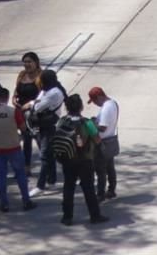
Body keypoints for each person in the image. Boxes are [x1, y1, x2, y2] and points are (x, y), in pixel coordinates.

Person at [57, 94, 109, 226]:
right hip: (85, 160)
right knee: (89, 189)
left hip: (67, 159)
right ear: (81, 107)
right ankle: (94, 216)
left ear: (67, 107)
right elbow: (97, 140)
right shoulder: (87, 122)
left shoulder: (61, 121)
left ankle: (67, 217)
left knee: (68, 187)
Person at [0, 88, 36, 212]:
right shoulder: (13, 112)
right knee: (20, 175)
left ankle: (4, 204)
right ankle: (26, 201)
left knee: (1, 177)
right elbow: (23, 128)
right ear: (7, 97)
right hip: (13, 147)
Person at [23, 69, 66, 196]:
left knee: (45, 156)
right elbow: (37, 101)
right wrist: (33, 102)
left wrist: (31, 104)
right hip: (43, 125)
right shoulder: (46, 90)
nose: (39, 82)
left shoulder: (54, 93)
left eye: (41, 80)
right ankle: (52, 179)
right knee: (50, 154)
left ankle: (40, 186)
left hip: (50, 126)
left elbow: (37, 107)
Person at [87, 87, 119, 201]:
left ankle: (100, 194)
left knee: (100, 170)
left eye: (95, 101)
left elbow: (102, 127)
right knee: (110, 167)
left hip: (103, 142)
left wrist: (91, 123)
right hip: (111, 140)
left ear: (100, 97)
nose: (95, 103)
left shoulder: (106, 108)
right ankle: (111, 190)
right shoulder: (113, 103)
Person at [15, 52, 43, 171]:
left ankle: (47, 166)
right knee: (26, 140)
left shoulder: (41, 76)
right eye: (25, 62)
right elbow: (17, 90)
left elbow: (44, 95)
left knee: (39, 140)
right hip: (22, 112)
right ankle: (27, 166)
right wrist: (14, 98)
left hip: (36, 114)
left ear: (36, 63)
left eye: (29, 61)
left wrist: (31, 104)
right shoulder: (22, 75)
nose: (27, 64)